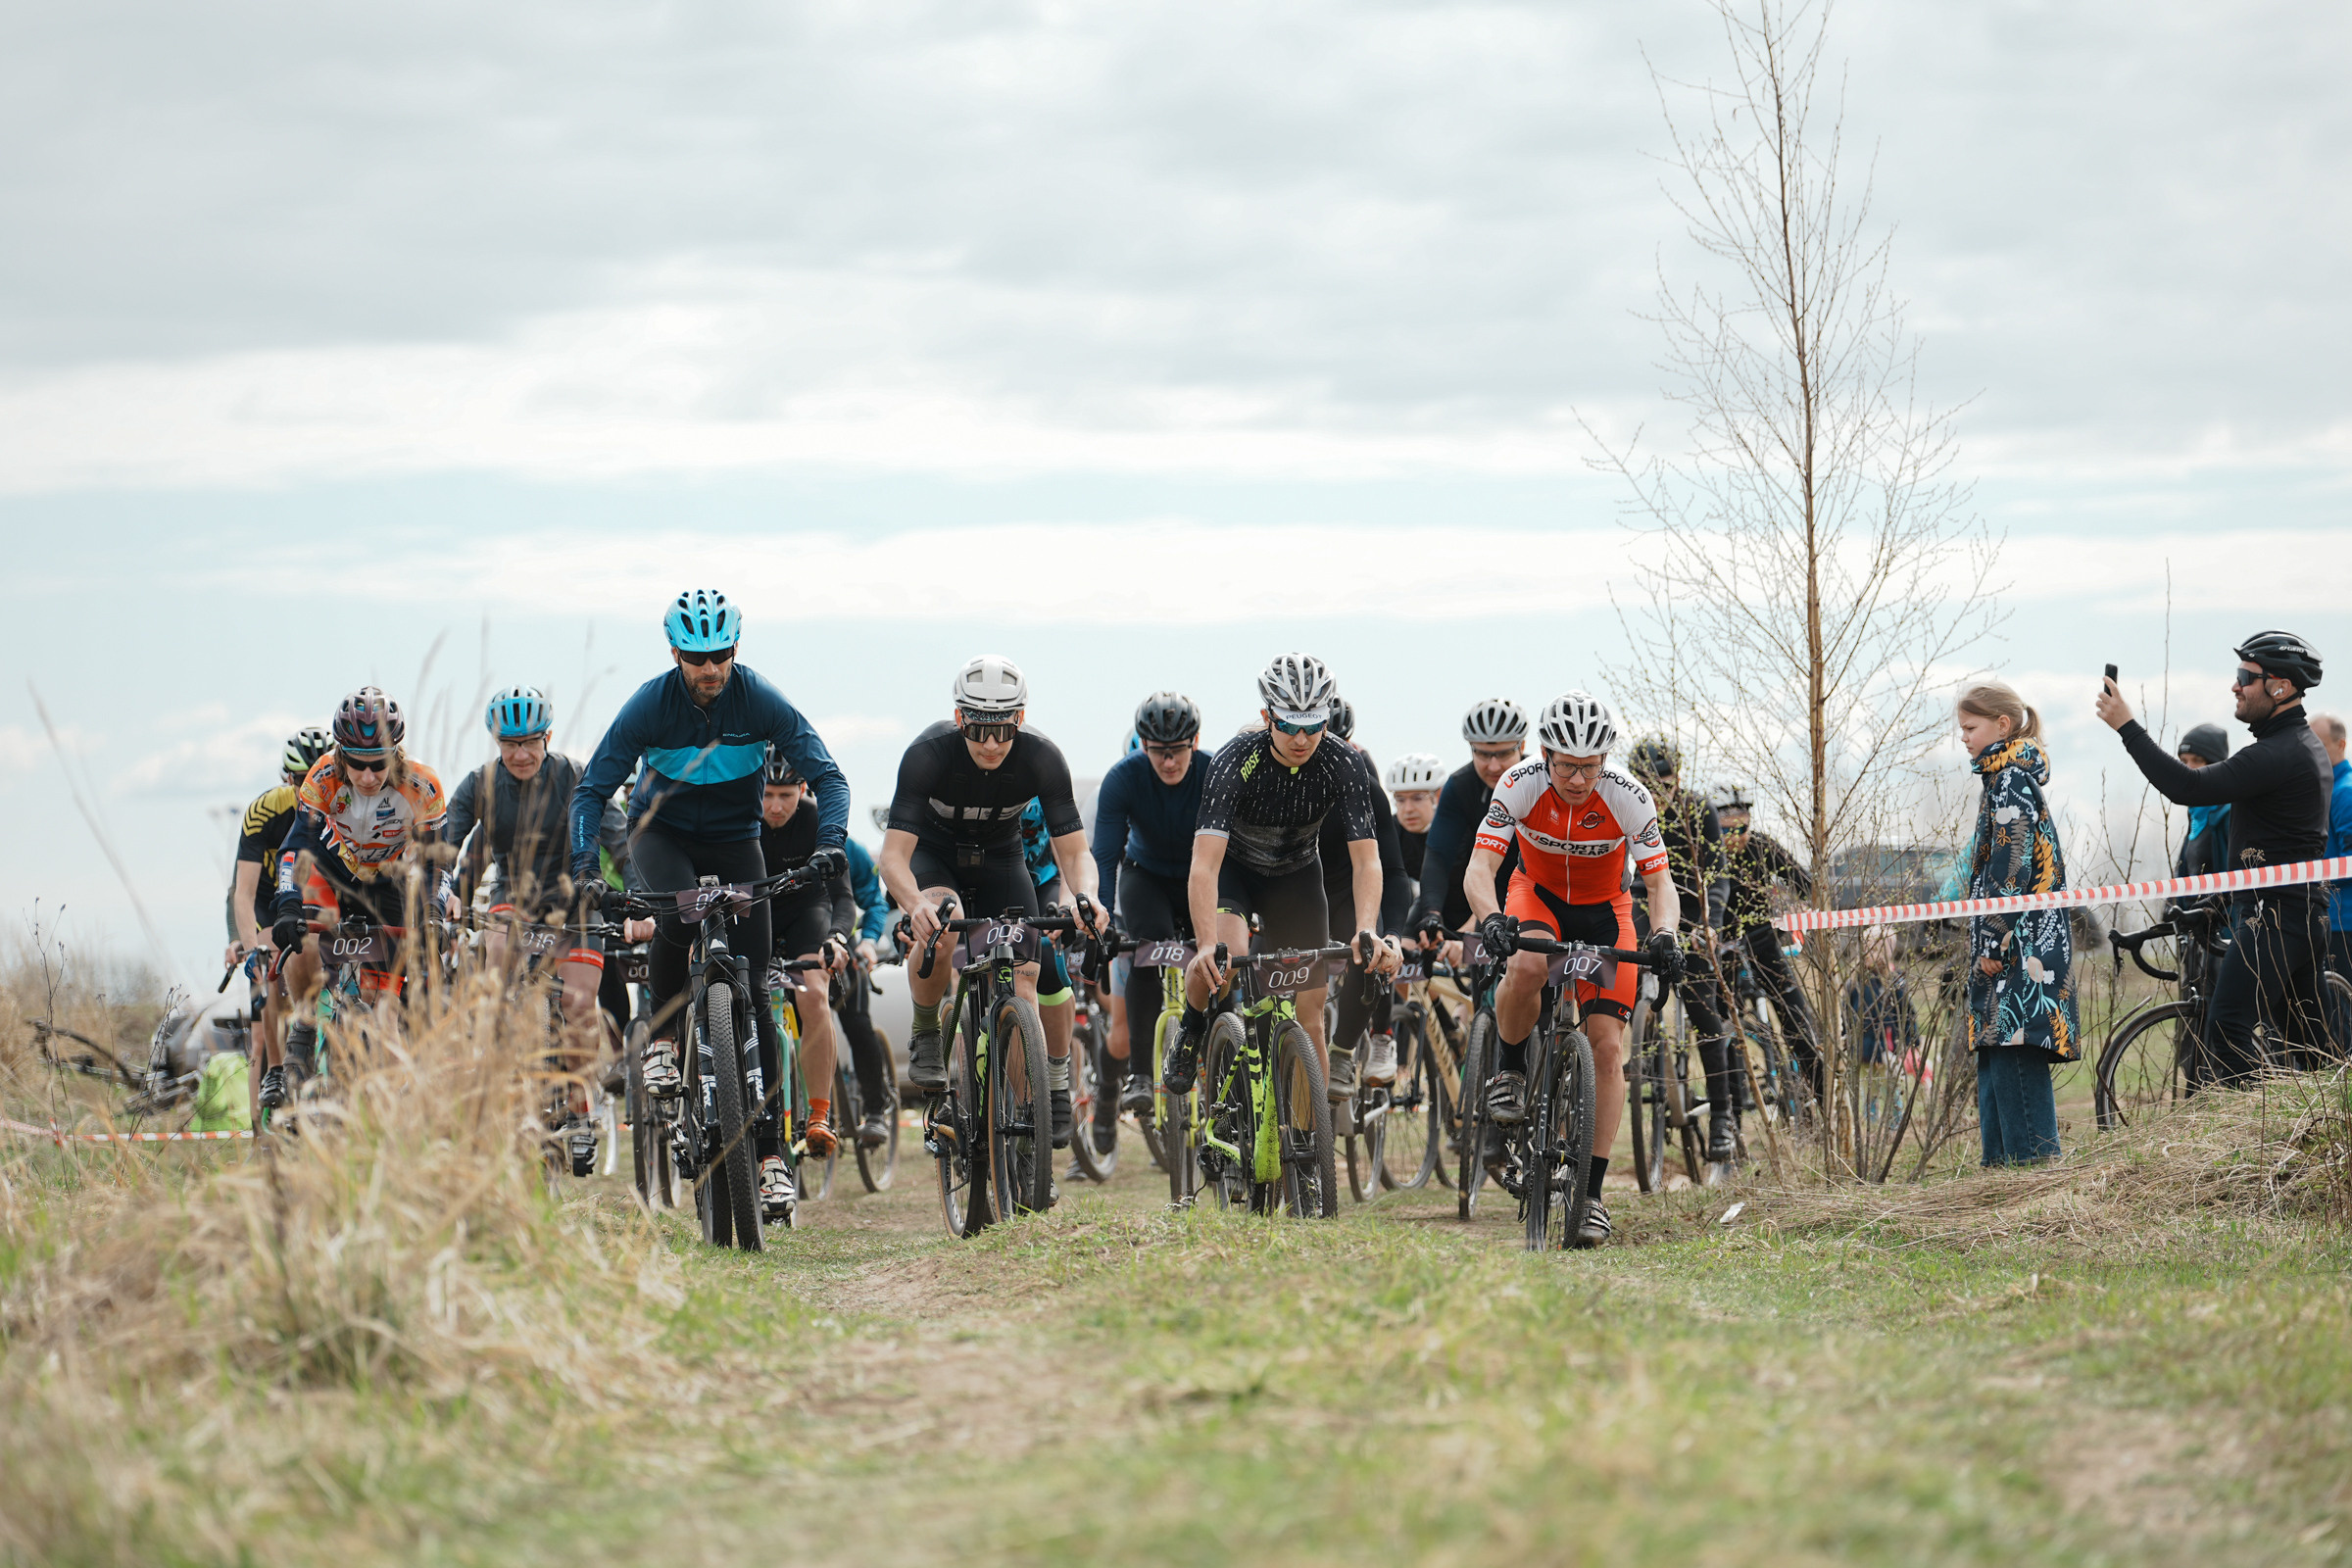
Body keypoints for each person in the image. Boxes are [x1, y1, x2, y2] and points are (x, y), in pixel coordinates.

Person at [569, 589, 851, 1220]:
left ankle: (773, 1157)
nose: (711, 669)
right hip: (660, 833)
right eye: (697, 657)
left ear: (734, 651)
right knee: (676, 912)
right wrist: (587, 868)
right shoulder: (650, 704)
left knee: (755, 996)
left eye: (720, 655)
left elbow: (829, 777)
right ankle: (664, 1039)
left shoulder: (761, 700)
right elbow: (592, 790)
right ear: (675, 653)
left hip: (735, 839)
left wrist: (830, 844)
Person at [1463, 692, 1682, 1249]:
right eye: (1567, 765)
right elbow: (1481, 866)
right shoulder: (1518, 784)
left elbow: (1658, 884)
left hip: (1607, 913)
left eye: (1591, 765)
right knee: (1529, 963)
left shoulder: (1629, 797)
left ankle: (1591, 1198)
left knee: (1608, 1049)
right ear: (1545, 754)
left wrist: (1665, 934)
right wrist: (1490, 919)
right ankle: (1510, 1070)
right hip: (1536, 898)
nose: (1580, 778)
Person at [879, 654, 1106, 1152]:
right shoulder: (928, 754)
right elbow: (893, 857)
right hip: (936, 860)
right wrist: (914, 903)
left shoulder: (1042, 757)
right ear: (960, 718)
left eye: (1003, 731)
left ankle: (1029, 1123)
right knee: (944, 921)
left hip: (1003, 860)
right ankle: (925, 1032)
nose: (989, 744)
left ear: (1019, 720)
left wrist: (1085, 896)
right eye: (978, 730)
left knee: (1027, 982)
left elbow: (1075, 852)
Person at [1161, 653, 1402, 1101]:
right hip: (1237, 871)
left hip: (1296, 876)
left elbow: (1368, 861)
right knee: (1226, 956)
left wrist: (1368, 927)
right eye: (1289, 724)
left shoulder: (1343, 762)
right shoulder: (1235, 759)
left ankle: (1311, 1150)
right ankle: (1192, 1027)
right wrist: (1201, 945)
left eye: (1313, 725)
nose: (1301, 737)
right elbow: (1205, 864)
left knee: (1311, 1019)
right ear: (1266, 716)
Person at [2097, 630, 2331, 1084]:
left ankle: (2266, 1140)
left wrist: (2128, 726)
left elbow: (2190, 787)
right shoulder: (2293, 747)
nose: (2235, 685)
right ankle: (2317, 1141)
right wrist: (2221, 904)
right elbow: (2276, 847)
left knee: (2225, 1034)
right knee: (2316, 1050)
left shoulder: (2280, 753)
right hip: (2290, 913)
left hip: (2276, 917)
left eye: (2246, 676)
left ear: (2280, 687)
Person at [440, 686, 630, 1146]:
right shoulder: (480, 784)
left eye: (529, 742)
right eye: (509, 744)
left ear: (547, 737)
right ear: (496, 742)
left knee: (581, 1004)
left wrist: (636, 896)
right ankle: (502, 1045)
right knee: (499, 946)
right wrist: (441, 890)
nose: (520, 754)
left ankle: (583, 1105)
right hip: (515, 902)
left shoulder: (576, 778)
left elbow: (622, 845)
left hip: (576, 907)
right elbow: (446, 845)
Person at [268, 689, 449, 1097]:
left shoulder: (423, 786)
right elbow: (296, 845)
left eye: (378, 764)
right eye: (357, 765)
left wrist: (434, 912)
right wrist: (286, 900)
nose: (368, 777)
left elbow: (438, 862)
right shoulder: (323, 776)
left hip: (389, 884)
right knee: (305, 939)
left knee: (383, 1012)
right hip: (332, 873)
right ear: (339, 754)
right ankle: (305, 1021)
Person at [1958, 681, 2078, 1164]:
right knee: (1996, 1056)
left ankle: (2036, 1178)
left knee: (2015, 1053)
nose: (1963, 738)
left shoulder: (2009, 780)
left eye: (1970, 728)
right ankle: (2000, 1179)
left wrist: (1989, 942)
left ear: (2002, 725)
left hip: (2018, 949)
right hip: (2012, 946)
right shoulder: (2000, 780)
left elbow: (2011, 869)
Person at [1090, 691, 1208, 1115]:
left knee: (1217, 959)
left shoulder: (1213, 771)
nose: (1169, 762)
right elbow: (1105, 855)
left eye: (1177, 751)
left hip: (1202, 876)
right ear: (1143, 744)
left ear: (1195, 742)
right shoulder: (1123, 778)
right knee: (1146, 950)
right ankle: (1140, 1075)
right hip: (1147, 877)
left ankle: (1221, 1053)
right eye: (1158, 752)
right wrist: (1101, 914)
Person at [1626, 736, 1742, 1161]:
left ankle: (1723, 1117)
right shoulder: (1625, 806)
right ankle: (1640, 1047)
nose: (1658, 790)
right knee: (1627, 972)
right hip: (1642, 900)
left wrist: (1711, 924)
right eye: (1648, 782)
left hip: (1695, 908)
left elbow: (1718, 875)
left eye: (1666, 781)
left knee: (1704, 1012)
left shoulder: (1699, 809)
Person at [759, 750, 859, 1158]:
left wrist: (837, 938)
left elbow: (843, 897)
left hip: (807, 913)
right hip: (758, 915)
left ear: (803, 789)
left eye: (786, 795)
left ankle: (819, 1114)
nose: (775, 806)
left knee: (813, 994)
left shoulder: (818, 819)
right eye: (766, 795)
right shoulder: (740, 819)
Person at [227, 726, 330, 1111]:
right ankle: (273, 1071)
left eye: (315, 778)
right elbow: (242, 893)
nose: (309, 788)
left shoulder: (339, 803)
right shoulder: (265, 811)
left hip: (314, 898)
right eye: (301, 780)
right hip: (267, 900)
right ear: (288, 779)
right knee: (267, 967)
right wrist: (251, 948)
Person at [1317, 697, 1411, 1089]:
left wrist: (1393, 934)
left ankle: (1363, 1041)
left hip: (1348, 884)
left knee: (1372, 947)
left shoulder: (1362, 777)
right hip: (1297, 887)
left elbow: (1390, 869)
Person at [1710, 782, 1823, 1097]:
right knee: (1722, 1026)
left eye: (1743, 828)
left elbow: (1804, 881)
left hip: (1763, 941)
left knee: (1796, 1017)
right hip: (1722, 948)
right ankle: (1732, 1105)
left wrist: (1811, 902)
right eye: (1728, 831)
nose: (1737, 838)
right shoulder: (1705, 851)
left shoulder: (1761, 846)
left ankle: (1821, 1095)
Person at [1407, 700, 1528, 950]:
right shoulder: (1460, 785)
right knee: (1407, 941)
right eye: (1483, 754)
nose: (1493, 766)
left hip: (1523, 885)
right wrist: (1432, 914)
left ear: (1522, 746)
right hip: (1472, 884)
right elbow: (1438, 857)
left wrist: (1474, 927)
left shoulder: (1536, 781)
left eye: (1504, 753)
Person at [2313, 712, 2350, 1052]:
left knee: (2342, 1020)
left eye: (2319, 745)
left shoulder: (2345, 793)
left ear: (2340, 745)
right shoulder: (2326, 789)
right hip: (2329, 919)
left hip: (2345, 923)